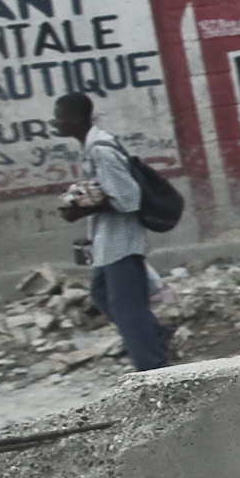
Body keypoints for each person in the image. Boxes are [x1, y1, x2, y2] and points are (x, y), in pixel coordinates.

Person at [54, 92, 169, 372]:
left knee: (126, 306)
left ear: (75, 119)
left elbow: (128, 199)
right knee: (101, 292)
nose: (56, 124)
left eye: (59, 118)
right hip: (105, 240)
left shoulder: (101, 151)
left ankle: (152, 366)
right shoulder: (91, 147)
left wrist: (81, 210)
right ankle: (154, 336)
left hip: (121, 241)